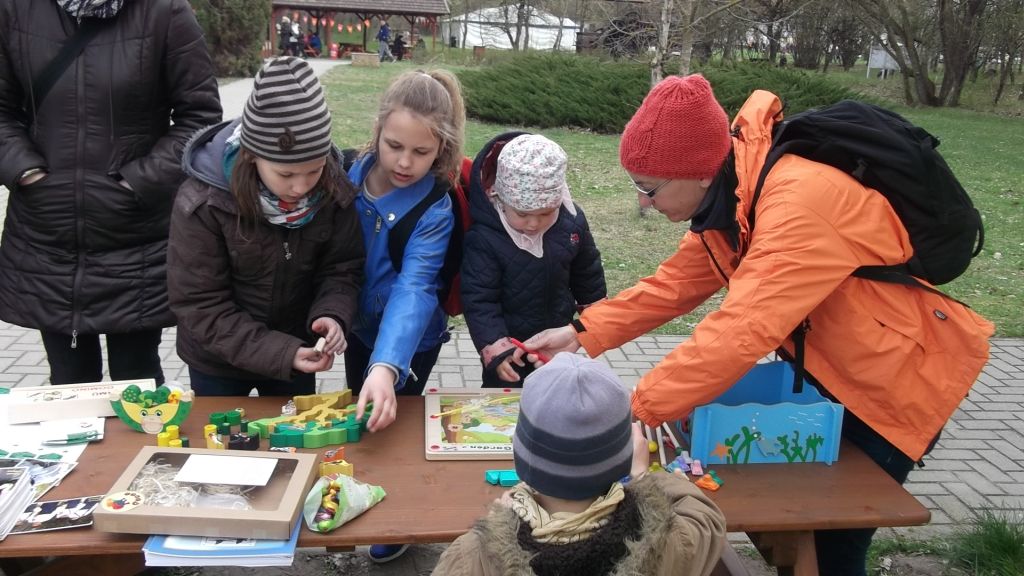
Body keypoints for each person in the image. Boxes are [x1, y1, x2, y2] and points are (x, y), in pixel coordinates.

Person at [524, 74, 994, 576]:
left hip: (893, 386)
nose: (643, 201)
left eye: (649, 187)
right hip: (829, 375)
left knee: (834, 542)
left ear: (698, 173)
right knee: (802, 528)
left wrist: (628, 414)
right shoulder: (733, 197)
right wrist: (581, 333)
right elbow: (675, 284)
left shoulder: (798, 202)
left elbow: (741, 330)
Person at [0, 0, 222, 386]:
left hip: (136, 238)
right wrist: (26, 172)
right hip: (47, 234)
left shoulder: (165, 11)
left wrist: (138, 180)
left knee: (137, 385)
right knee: (69, 385)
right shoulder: (15, 9)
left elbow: (200, 117)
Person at [167, 57, 364, 397]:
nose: (301, 187)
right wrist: (281, 352)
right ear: (251, 156)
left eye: (314, 170)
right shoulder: (203, 203)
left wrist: (332, 314)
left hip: (295, 355)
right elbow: (201, 304)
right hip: (217, 362)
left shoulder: (334, 191)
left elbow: (342, 269)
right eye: (286, 174)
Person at [432, 352, 727, 576]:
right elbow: (707, 518)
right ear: (625, 455)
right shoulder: (669, 543)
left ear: (520, 454)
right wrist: (642, 476)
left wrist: (501, 523)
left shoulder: (475, 556)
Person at [344, 69, 464, 563]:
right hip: (355, 329)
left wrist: (387, 364)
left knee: (396, 427)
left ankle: (398, 520)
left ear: (441, 149)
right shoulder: (344, 177)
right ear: (377, 130)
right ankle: (361, 494)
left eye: (421, 152)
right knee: (361, 416)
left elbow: (415, 288)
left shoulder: (435, 207)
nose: (405, 162)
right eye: (394, 146)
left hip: (412, 342)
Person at [462, 133, 605, 387]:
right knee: (507, 401)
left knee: (559, 396)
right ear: (500, 198)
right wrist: (496, 348)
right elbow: (479, 299)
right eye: (522, 214)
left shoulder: (571, 224)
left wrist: (593, 321)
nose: (533, 223)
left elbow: (587, 274)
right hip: (511, 349)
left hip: (559, 342)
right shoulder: (485, 238)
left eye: (546, 213)